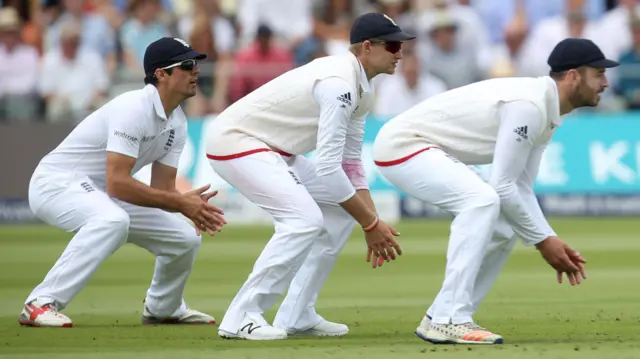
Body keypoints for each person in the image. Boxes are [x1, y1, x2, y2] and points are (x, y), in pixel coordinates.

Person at [372, 38, 618, 344]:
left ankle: (443, 314)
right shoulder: (529, 105)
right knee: (483, 200)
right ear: (572, 76)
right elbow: (502, 185)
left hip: (426, 147)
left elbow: (520, 187)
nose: (606, 83)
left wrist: (546, 235)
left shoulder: (547, 112)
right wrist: (543, 242)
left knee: (504, 223)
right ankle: (450, 319)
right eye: (598, 74)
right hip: (403, 145)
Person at [206, 13, 414, 340]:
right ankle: (242, 315)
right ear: (366, 47)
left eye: (400, 45)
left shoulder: (361, 88)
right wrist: (371, 225)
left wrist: (369, 219)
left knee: (340, 211)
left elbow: (349, 165)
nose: (399, 53)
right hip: (237, 142)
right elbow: (330, 169)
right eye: (392, 45)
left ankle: (297, 313)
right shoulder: (338, 85)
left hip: (275, 151)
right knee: (304, 220)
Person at [20, 37, 225, 328]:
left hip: (100, 191)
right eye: (187, 65)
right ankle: (39, 303)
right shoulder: (133, 107)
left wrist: (186, 204)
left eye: (196, 65)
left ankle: (163, 308)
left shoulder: (176, 122)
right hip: (55, 183)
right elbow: (118, 183)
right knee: (112, 220)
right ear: (161, 74)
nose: (196, 72)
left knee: (184, 236)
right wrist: (179, 202)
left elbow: (163, 190)